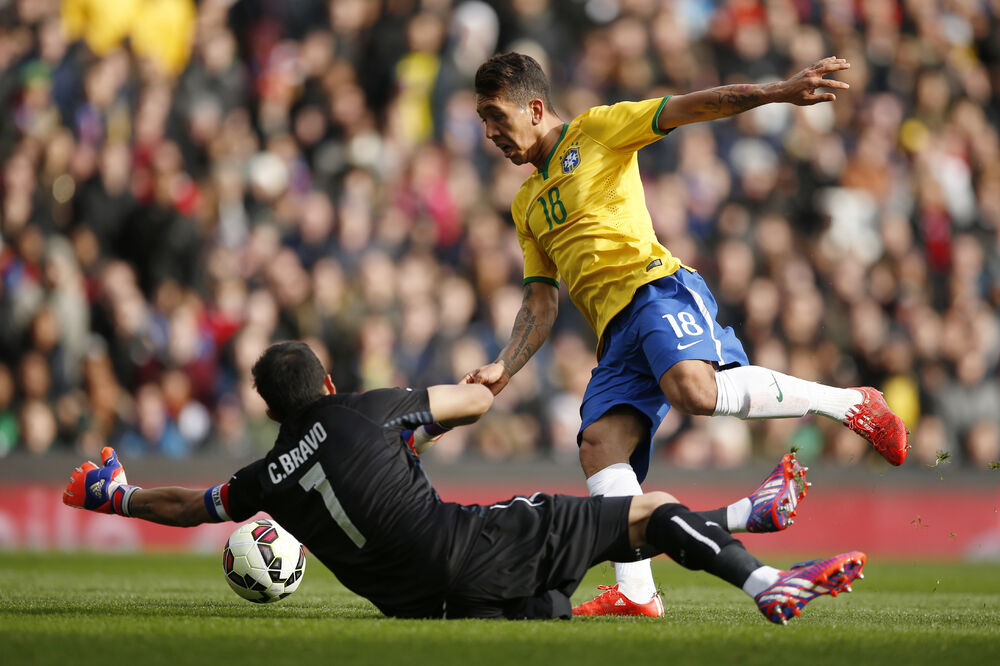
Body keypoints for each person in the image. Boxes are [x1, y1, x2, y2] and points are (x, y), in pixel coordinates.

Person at [461, 52, 906, 616]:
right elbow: (540, 300)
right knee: (600, 446)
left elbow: (689, 107)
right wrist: (507, 362)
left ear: (535, 107)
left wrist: (777, 92)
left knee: (693, 389)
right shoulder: (525, 204)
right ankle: (636, 591)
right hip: (613, 332)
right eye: (482, 119)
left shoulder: (597, 131)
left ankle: (851, 404)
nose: (489, 132)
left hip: (655, 290)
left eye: (496, 115)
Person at [63, 340, 859, 623]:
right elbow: (474, 403)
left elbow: (190, 506)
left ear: (270, 408)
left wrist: (118, 495)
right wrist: (490, 378)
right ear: (329, 382)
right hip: (465, 548)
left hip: (423, 605)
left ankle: (743, 514)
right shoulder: (369, 411)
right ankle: (763, 581)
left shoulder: (263, 478)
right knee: (641, 511)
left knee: (554, 603)